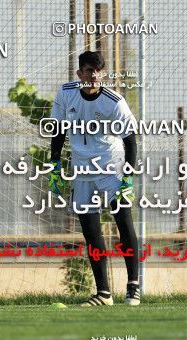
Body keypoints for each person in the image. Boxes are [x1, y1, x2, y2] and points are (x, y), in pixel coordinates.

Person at [48, 51, 140, 307]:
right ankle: (103, 293)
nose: (93, 75)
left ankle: (133, 287)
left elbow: (130, 141)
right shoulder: (66, 93)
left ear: (103, 74)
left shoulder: (114, 101)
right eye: (88, 70)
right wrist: (55, 165)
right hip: (81, 167)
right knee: (90, 229)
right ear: (79, 74)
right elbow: (57, 130)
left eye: (98, 70)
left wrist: (128, 178)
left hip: (111, 165)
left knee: (123, 221)